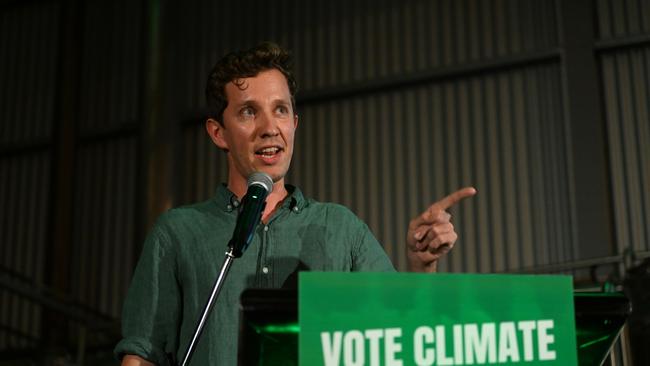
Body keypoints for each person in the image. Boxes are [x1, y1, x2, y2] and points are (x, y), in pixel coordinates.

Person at [115, 42, 476, 365]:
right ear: (218, 132)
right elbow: (142, 354)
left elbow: (399, 336)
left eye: (281, 110)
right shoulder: (177, 232)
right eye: (248, 112)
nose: (269, 127)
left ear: (295, 124)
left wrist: (421, 266)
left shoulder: (341, 228)